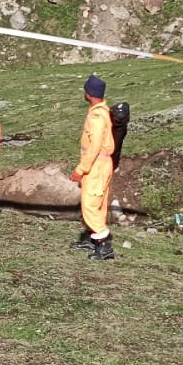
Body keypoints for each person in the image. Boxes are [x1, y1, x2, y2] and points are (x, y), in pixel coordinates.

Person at [69, 75, 116, 259]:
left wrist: (81, 169)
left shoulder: (97, 116)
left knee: (89, 204)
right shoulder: (101, 111)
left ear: (89, 93)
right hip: (101, 164)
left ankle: (104, 244)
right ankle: (93, 238)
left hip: (96, 166)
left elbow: (94, 146)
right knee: (98, 204)